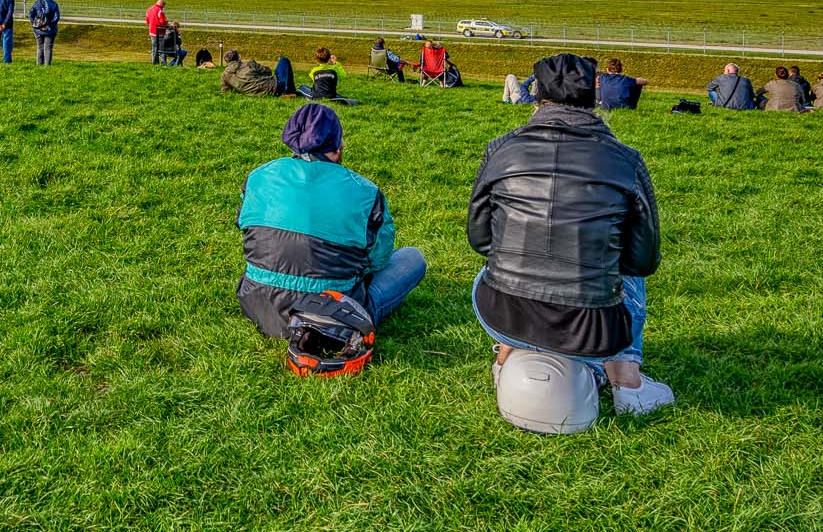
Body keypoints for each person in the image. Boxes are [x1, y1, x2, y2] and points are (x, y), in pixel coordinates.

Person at [468, 53, 672, 418]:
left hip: (502, 310)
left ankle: (506, 357)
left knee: (503, 256)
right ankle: (627, 380)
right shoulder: (625, 160)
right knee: (627, 266)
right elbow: (643, 259)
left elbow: (480, 239)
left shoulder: (500, 149)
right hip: (594, 321)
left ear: (539, 97)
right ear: (593, 96)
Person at [235, 103, 425, 340]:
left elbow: (244, 227)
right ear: (336, 147)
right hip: (333, 315)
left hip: (259, 304)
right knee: (412, 258)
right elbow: (379, 259)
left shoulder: (258, 176)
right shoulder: (365, 192)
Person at [29, 0, 62, 66]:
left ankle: (39, 64)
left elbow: (30, 14)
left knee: (40, 47)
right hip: (50, 30)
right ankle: (47, 66)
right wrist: (48, 26)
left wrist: (35, 24)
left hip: (38, 30)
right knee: (48, 48)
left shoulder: (37, 3)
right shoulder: (54, 4)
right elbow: (56, 17)